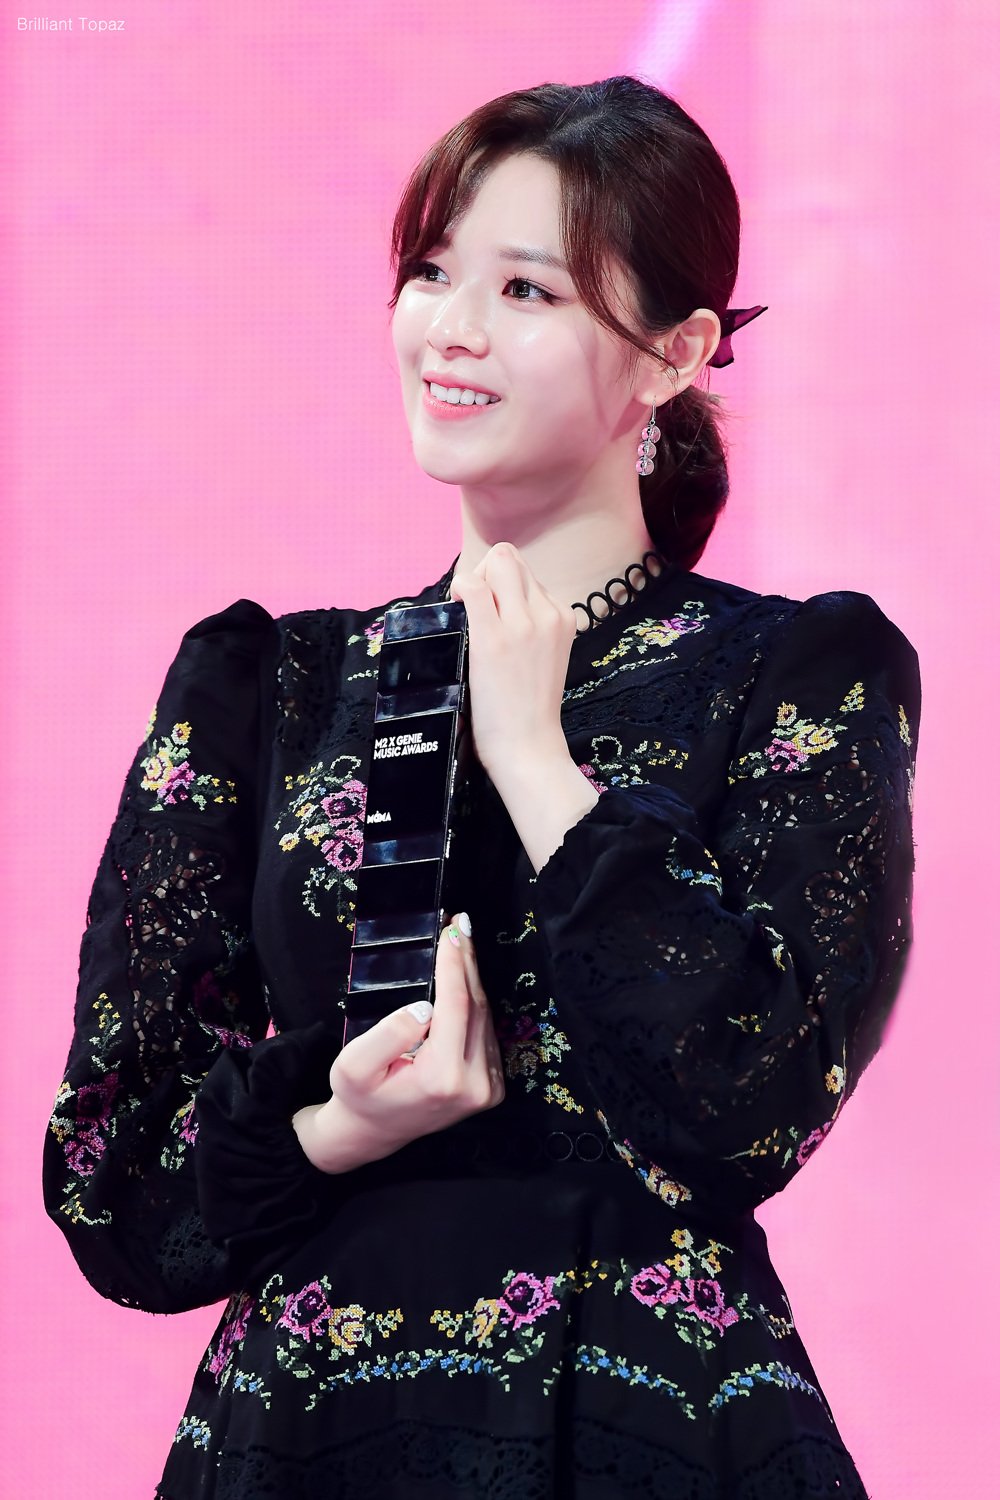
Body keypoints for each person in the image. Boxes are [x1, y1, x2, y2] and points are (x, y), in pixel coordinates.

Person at [44, 76, 920, 1499]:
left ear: (675, 352)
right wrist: (339, 1126)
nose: (451, 327)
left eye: (525, 289)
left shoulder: (794, 671)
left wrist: (534, 762)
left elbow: (757, 1102)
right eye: (431, 273)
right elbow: (114, 1189)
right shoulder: (268, 687)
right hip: (311, 1432)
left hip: (648, 1426)